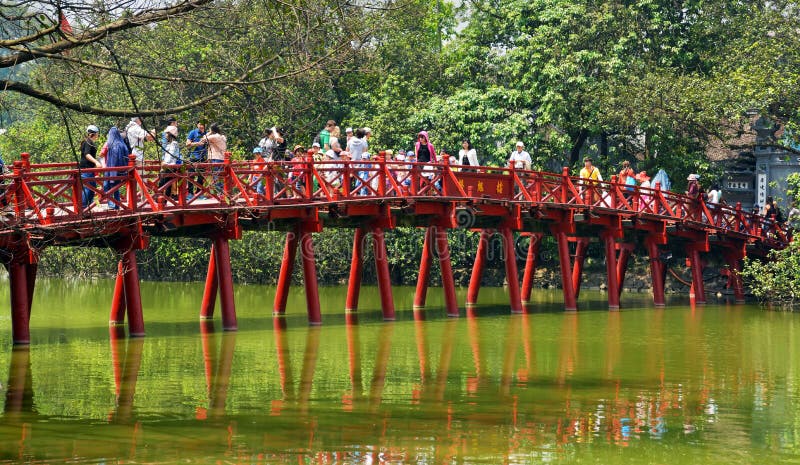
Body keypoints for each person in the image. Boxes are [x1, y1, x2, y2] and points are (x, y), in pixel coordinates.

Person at [104, 126, 130, 210]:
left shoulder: (116, 145)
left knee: (110, 187)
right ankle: (115, 205)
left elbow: (115, 160)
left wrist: (113, 172)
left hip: (113, 170)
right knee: (114, 188)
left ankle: (114, 205)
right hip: (117, 170)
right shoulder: (121, 144)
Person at [79, 125, 102, 209]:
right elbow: (87, 154)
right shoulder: (88, 142)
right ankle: (83, 208)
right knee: (88, 188)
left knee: (92, 188)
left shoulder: (88, 141)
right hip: (86, 168)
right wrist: (96, 162)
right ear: (94, 134)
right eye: (97, 134)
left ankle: (88, 207)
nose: (97, 135)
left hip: (89, 168)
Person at [201, 123, 227, 193]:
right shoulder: (222, 136)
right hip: (221, 158)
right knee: (220, 176)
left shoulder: (214, 136)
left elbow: (203, 139)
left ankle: (219, 193)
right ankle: (221, 192)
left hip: (215, 158)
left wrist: (209, 132)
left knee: (215, 176)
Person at [158, 125, 182, 199]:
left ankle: (163, 200)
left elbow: (170, 155)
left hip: (170, 166)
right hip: (168, 165)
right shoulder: (170, 143)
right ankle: (163, 200)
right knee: (166, 183)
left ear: (170, 134)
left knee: (164, 183)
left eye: (167, 133)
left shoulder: (174, 143)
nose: (165, 135)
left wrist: (165, 163)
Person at [185, 121, 207, 197]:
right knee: (191, 176)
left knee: (201, 176)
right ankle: (190, 193)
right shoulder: (193, 132)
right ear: (197, 125)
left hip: (203, 158)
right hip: (193, 157)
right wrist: (197, 143)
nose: (202, 126)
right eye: (200, 124)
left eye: (203, 124)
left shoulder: (206, 133)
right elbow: (187, 144)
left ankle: (199, 193)